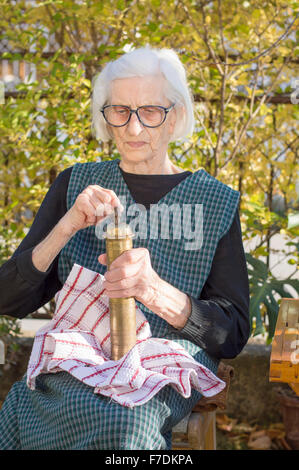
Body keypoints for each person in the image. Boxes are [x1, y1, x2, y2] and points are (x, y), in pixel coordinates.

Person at [0, 46, 250, 450]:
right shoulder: (76, 185)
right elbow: (7, 299)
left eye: (150, 111)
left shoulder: (213, 201)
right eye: (120, 111)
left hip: (162, 365)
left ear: (177, 116)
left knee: (122, 421)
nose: (133, 129)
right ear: (107, 119)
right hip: (77, 360)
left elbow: (233, 332)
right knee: (25, 409)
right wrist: (66, 227)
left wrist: (154, 291)